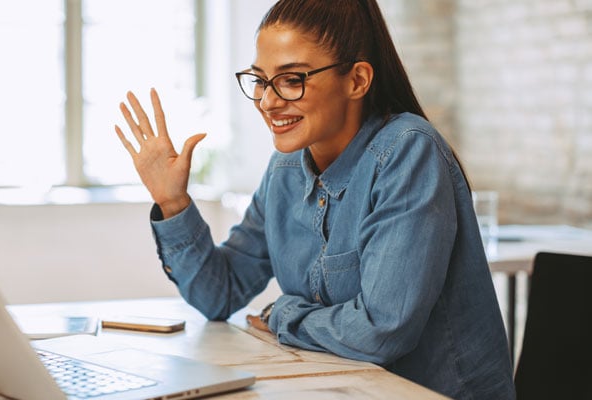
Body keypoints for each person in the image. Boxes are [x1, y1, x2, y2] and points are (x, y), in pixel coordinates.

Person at [114, 0, 516, 398]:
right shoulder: (285, 169)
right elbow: (219, 293)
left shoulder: (407, 152)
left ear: (357, 80)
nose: (268, 101)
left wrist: (283, 315)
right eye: (260, 80)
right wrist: (173, 203)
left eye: (291, 80)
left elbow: (382, 330)